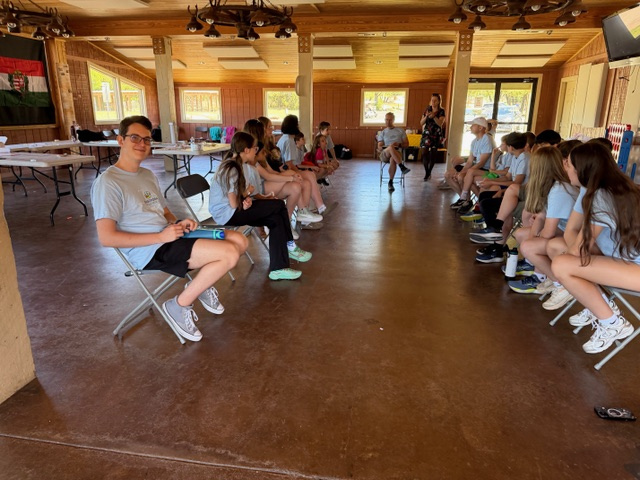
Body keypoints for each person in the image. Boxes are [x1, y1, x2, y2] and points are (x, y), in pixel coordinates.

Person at [90, 115, 247, 343]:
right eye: (135, 138)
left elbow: (164, 213)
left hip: (169, 236)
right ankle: (178, 306)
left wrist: (178, 222)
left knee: (239, 240)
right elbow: (106, 237)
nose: (142, 144)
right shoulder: (108, 182)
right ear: (120, 140)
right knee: (229, 254)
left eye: (146, 139)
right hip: (150, 249)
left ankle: (201, 284)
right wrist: (160, 236)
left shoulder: (146, 175)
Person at [551, 141, 640, 354]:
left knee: (562, 264)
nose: (566, 169)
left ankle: (613, 323)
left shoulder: (601, 195)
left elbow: (579, 249)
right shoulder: (616, 187)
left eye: (569, 165)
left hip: (635, 268)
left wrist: (568, 253)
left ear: (582, 170)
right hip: (626, 260)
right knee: (558, 250)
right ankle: (601, 305)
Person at [209, 131, 312, 281]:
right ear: (246, 150)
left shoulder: (241, 165)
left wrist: (251, 198)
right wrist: (247, 194)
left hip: (236, 209)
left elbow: (238, 197)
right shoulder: (231, 168)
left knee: (276, 219)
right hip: (227, 214)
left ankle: (278, 269)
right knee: (278, 205)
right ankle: (290, 245)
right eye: (254, 149)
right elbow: (233, 203)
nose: (256, 152)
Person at [276, 114, 328, 214]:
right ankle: (316, 206)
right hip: (286, 171)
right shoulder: (289, 140)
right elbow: (289, 163)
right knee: (309, 175)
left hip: (285, 169)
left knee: (309, 177)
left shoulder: (283, 138)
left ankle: (312, 208)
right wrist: (298, 172)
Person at [447, 117, 493, 208]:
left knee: (462, 177)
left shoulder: (487, 139)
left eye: (473, 125)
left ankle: (466, 201)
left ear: (480, 128)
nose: (471, 127)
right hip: (476, 167)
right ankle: (464, 200)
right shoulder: (474, 141)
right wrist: (461, 172)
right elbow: (469, 161)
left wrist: (463, 173)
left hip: (485, 170)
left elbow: (482, 163)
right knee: (448, 175)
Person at [378, 112, 410, 192]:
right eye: (386, 120)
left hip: (396, 153)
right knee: (390, 147)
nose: (388, 122)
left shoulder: (400, 131)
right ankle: (402, 167)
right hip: (385, 153)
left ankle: (390, 182)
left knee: (393, 158)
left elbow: (407, 144)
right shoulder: (383, 132)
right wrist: (385, 146)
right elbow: (379, 146)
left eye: (390, 120)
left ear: (393, 120)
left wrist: (399, 144)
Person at [419, 93, 446, 181]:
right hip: (427, 133)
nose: (433, 102)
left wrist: (434, 117)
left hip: (436, 134)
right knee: (424, 152)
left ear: (438, 102)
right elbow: (421, 122)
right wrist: (426, 116)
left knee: (433, 154)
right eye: (432, 100)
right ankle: (427, 172)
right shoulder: (427, 109)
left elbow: (440, 123)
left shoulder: (441, 111)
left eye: (435, 101)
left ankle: (429, 171)